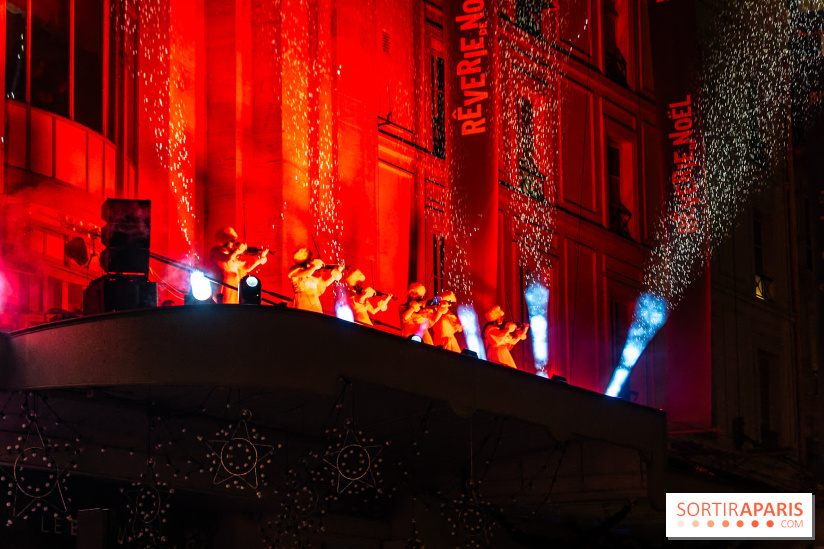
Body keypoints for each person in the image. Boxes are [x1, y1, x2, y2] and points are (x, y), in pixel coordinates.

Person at [208, 227, 268, 304]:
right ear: (224, 242)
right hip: (223, 287)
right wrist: (238, 250)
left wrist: (258, 260)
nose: (234, 243)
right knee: (223, 307)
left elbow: (246, 268)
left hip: (235, 286)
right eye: (232, 241)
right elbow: (227, 258)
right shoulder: (217, 253)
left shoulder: (234, 255)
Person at [288, 247, 343, 313]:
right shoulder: (295, 270)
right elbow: (307, 273)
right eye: (308, 259)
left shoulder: (312, 275)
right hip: (303, 301)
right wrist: (314, 266)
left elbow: (324, 284)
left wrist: (334, 276)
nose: (310, 260)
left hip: (315, 303)